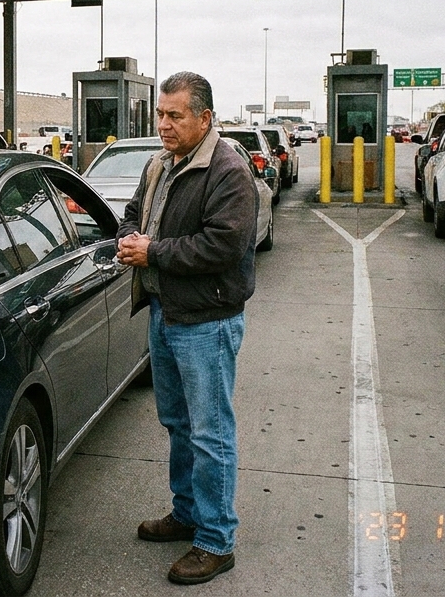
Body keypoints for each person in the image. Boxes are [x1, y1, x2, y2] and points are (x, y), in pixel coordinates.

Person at [116, 72, 257, 586]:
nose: (164, 124)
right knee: (178, 423)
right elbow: (134, 215)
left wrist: (152, 251)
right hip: (164, 312)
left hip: (207, 321)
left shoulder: (227, 170)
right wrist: (129, 237)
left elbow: (224, 245)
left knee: (210, 432)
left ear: (205, 117)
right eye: (160, 114)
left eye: (176, 116)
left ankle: (216, 540)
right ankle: (187, 513)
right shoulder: (160, 163)